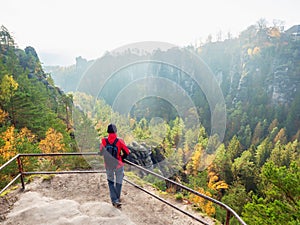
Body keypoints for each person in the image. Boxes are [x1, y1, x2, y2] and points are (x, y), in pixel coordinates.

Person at [99, 123, 130, 208]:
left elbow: (101, 152)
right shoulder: (120, 140)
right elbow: (127, 152)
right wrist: (122, 158)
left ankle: (114, 200)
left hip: (108, 165)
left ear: (108, 131)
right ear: (116, 131)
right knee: (119, 182)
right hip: (118, 165)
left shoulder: (104, 141)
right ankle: (117, 199)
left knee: (111, 182)